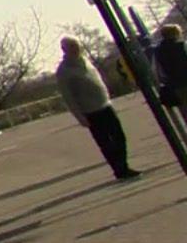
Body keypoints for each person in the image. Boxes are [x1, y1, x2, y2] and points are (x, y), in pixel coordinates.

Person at [55, 36, 140, 180]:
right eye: (73, 47)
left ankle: (123, 165)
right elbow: (68, 97)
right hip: (90, 111)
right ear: (65, 50)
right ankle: (120, 170)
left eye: (78, 46)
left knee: (119, 137)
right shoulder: (64, 71)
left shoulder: (85, 61)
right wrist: (80, 117)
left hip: (105, 105)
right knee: (106, 142)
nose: (77, 50)